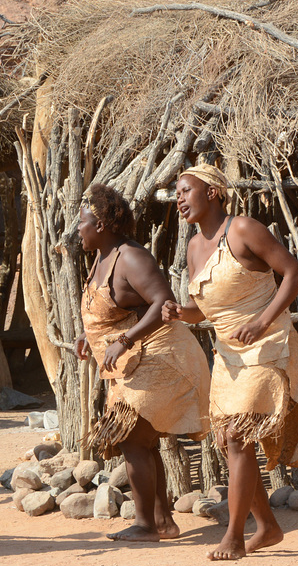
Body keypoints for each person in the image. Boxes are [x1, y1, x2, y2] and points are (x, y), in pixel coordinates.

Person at [163, 163, 298, 561]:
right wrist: (183, 314)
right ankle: (267, 527)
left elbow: (295, 273)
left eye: (185, 190)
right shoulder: (195, 246)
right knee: (235, 442)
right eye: (177, 193)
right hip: (228, 356)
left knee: (237, 438)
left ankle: (234, 535)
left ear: (213, 192)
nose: (179, 199)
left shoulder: (244, 229)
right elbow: (207, 311)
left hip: (266, 345)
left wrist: (262, 319)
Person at [75, 184, 210, 542]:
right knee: (141, 443)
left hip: (162, 357)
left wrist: (123, 339)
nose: (78, 228)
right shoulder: (101, 257)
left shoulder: (131, 257)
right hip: (132, 363)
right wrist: (88, 338)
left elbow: (163, 302)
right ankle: (163, 522)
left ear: (101, 224)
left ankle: (148, 525)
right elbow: (109, 310)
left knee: (134, 440)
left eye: (83, 221)